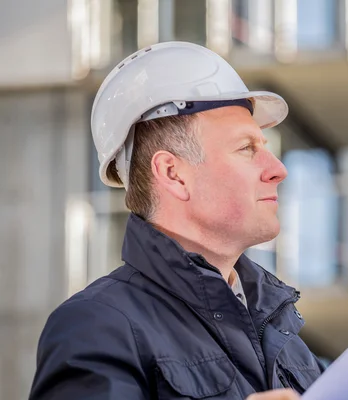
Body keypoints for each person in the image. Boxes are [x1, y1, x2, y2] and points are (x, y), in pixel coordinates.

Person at [29, 42, 324, 399]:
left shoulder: (289, 342)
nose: (278, 169)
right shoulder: (98, 326)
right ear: (174, 174)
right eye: (247, 148)